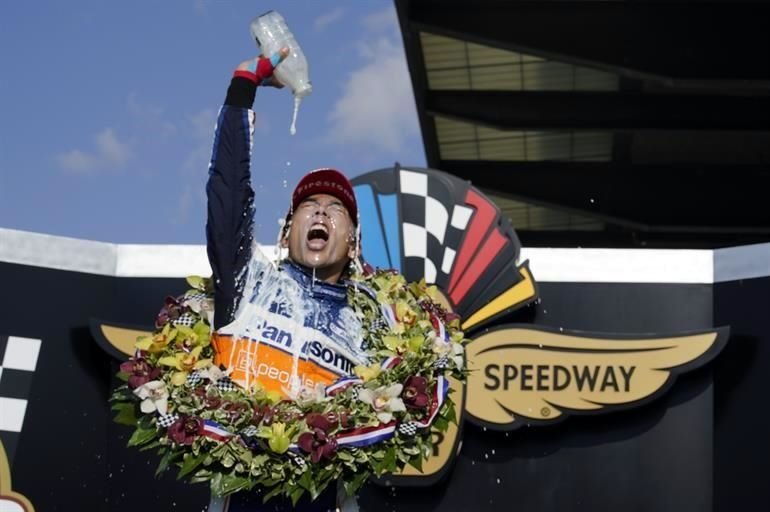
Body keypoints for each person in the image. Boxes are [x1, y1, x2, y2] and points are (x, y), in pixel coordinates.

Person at [205, 50, 364, 512]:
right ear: (284, 232)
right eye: (307, 206)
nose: (319, 211)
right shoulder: (248, 283)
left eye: (335, 209)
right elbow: (228, 192)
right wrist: (242, 87)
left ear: (353, 244)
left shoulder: (375, 327)